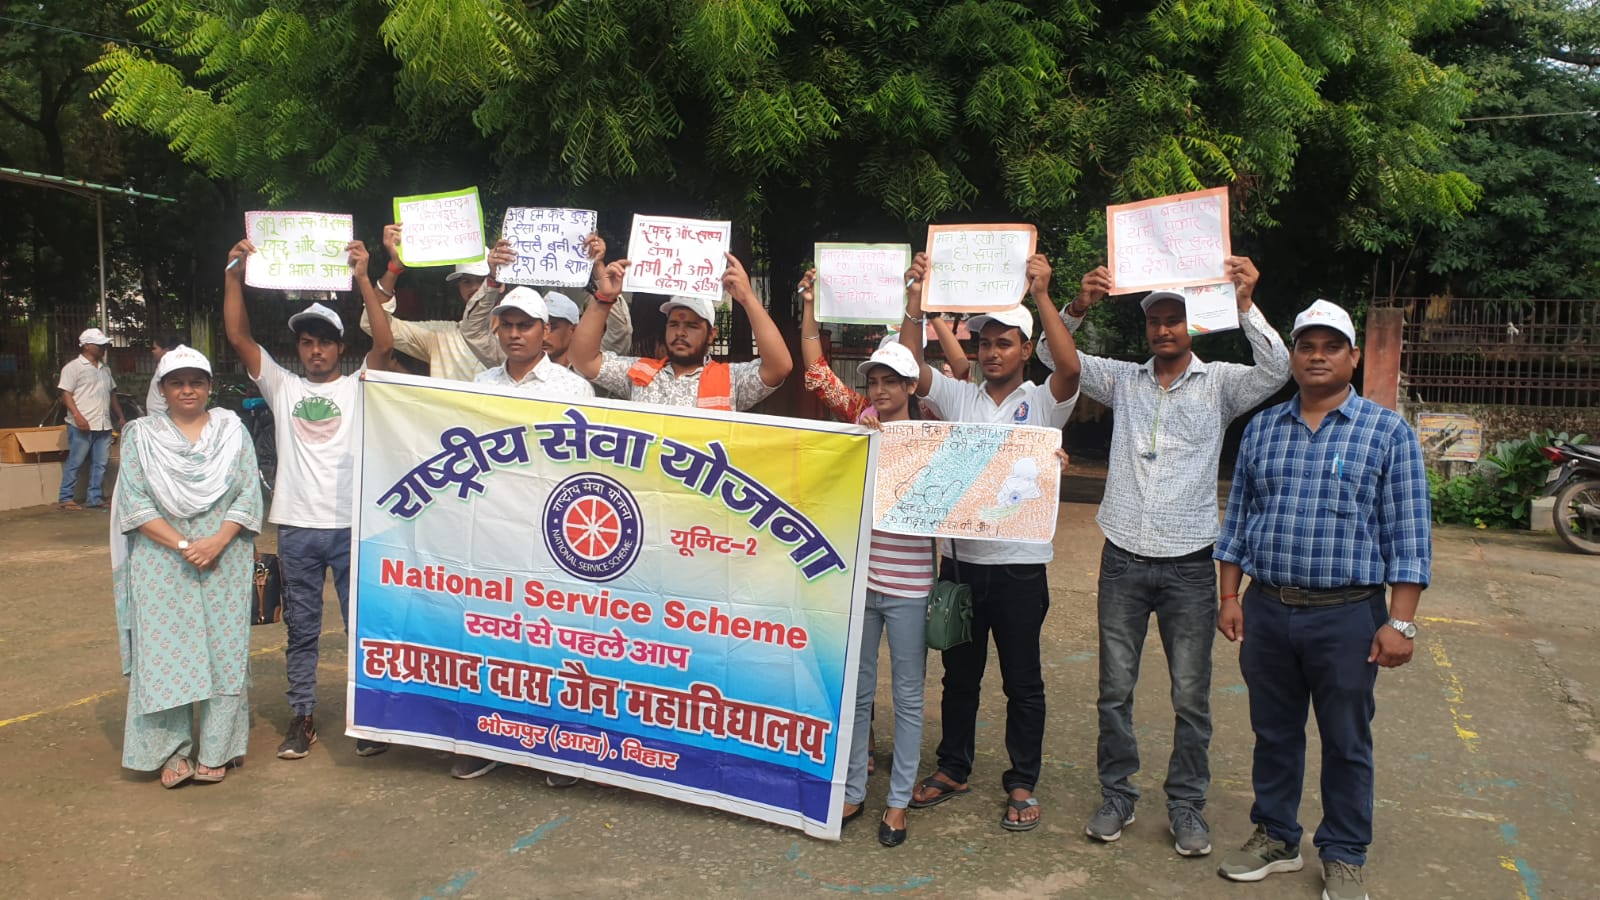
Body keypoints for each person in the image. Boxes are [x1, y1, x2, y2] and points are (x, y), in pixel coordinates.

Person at [1041, 260, 1289, 856]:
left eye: (1174, 319)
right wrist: (1077, 306)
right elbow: (1054, 359)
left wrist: (1246, 303)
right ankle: (1117, 795)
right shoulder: (1123, 380)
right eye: (1154, 320)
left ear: (1192, 325)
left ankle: (1186, 805)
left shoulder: (1221, 384)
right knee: (1114, 691)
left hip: (1189, 564)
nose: (1163, 329)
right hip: (1123, 557)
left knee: (1190, 696)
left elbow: (1277, 368)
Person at [1213, 300, 1431, 900]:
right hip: (1268, 609)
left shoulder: (1386, 433)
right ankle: (1276, 836)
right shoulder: (1262, 429)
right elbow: (1239, 521)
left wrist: (1400, 624)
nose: (1317, 356)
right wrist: (1230, 594)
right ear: (1292, 356)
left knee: (1346, 740)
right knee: (1274, 732)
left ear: (1352, 358)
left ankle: (1344, 853)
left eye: (1331, 346)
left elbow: (1409, 536)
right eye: (1306, 346)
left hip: (1349, 616)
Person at [900, 250, 1082, 832]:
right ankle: (953, 766)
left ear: (1026, 350)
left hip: (1021, 566)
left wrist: (1043, 294)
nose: (992, 352)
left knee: (1023, 681)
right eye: (984, 343)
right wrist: (915, 302)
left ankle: (1022, 780)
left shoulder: (1044, 401)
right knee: (960, 676)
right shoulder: (960, 398)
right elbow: (910, 367)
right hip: (961, 564)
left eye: (1005, 343)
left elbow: (1071, 368)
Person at [222, 236, 395, 761]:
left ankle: (369, 719)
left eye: (324, 342)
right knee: (301, 630)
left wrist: (363, 278)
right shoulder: (283, 387)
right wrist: (233, 276)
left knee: (362, 628)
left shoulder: (359, 384)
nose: (315, 350)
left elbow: (385, 344)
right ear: (297, 349)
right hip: (296, 527)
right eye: (305, 342)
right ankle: (302, 718)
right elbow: (238, 336)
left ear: (340, 348)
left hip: (351, 527)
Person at [798, 270, 933, 847]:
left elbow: (990, 470)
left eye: (889, 381)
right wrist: (809, 304)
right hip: (858, 584)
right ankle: (852, 789)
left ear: (910, 385)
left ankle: (897, 802)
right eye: (872, 381)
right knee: (854, 693)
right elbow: (814, 370)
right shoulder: (858, 424)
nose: (878, 391)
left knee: (908, 695)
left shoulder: (932, 436)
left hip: (910, 586)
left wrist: (1045, 463)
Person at [445, 287, 596, 782]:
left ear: (545, 331)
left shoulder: (573, 390)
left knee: (556, 639)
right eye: (506, 325)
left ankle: (562, 744)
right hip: (493, 529)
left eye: (525, 325)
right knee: (496, 635)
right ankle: (489, 739)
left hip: (553, 533)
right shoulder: (480, 384)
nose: (514, 334)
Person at [110, 345, 263, 788]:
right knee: (164, 652)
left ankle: (217, 749)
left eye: (196, 381)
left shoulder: (232, 431)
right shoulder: (141, 436)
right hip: (161, 558)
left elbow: (248, 493)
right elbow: (135, 502)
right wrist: (182, 544)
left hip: (225, 556)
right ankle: (169, 752)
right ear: (162, 389)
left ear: (209, 386)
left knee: (224, 650)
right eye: (177, 383)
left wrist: (217, 540)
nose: (187, 390)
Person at [569, 251, 792, 410]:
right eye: (674, 324)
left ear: (712, 335)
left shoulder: (732, 379)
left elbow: (779, 367)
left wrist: (748, 298)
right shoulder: (641, 372)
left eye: (692, 326)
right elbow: (583, 360)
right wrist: (604, 298)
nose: (680, 332)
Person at [459, 235, 634, 373]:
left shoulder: (592, 366)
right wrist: (492, 279)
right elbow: (473, 331)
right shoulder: (512, 360)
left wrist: (599, 270)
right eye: (532, 325)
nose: (544, 334)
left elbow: (620, 332)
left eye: (553, 326)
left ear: (573, 330)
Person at [357, 223, 491, 381]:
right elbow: (370, 323)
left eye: (482, 281)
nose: (475, 288)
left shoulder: (511, 336)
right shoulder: (441, 336)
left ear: (498, 285)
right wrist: (394, 267)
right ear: (459, 288)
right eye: (466, 281)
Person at [56, 327, 125, 511]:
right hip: (81, 424)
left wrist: (120, 416)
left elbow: (112, 394)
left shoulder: (105, 369)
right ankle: (66, 497)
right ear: (86, 346)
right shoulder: (73, 368)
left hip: (103, 423)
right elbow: (66, 394)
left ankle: (94, 497)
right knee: (76, 462)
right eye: (99, 345)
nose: (104, 348)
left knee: (100, 464)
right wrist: (78, 416)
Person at [145, 333, 186, 417]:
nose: (152, 351)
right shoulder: (161, 366)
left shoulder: (170, 369)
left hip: (164, 417)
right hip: (157, 416)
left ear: (166, 351)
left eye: (155, 348)